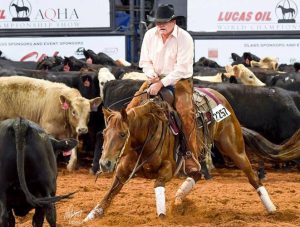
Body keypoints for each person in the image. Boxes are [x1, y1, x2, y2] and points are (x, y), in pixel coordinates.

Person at [126, 4, 201, 206]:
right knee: (130, 109)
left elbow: (182, 69)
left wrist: (161, 83)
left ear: (173, 21)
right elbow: (145, 62)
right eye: (157, 22)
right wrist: (152, 77)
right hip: (154, 78)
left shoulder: (185, 38)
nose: (160, 25)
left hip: (180, 81)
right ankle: (125, 151)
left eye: (164, 22)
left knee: (186, 113)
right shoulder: (150, 35)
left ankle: (189, 156)